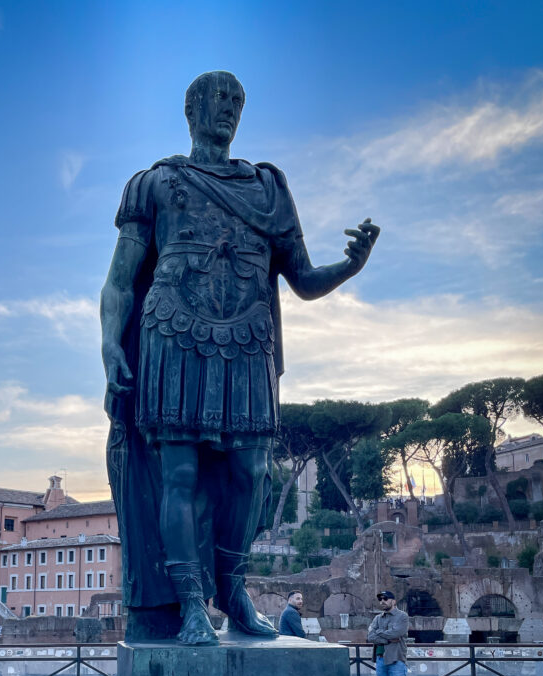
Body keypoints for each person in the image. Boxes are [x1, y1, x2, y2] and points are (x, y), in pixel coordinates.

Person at [102, 71, 379, 646]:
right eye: (217, 100)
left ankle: (231, 591)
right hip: (173, 334)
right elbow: (120, 280)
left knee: (251, 473)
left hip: (249, 340)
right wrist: (110, 343)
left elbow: (302, 278)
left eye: (237, 101)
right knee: (178, 473)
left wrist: (349, 266)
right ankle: (189, 605)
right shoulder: (155, 183)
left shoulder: (268, 188)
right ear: (191, 110)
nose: (227, 109)